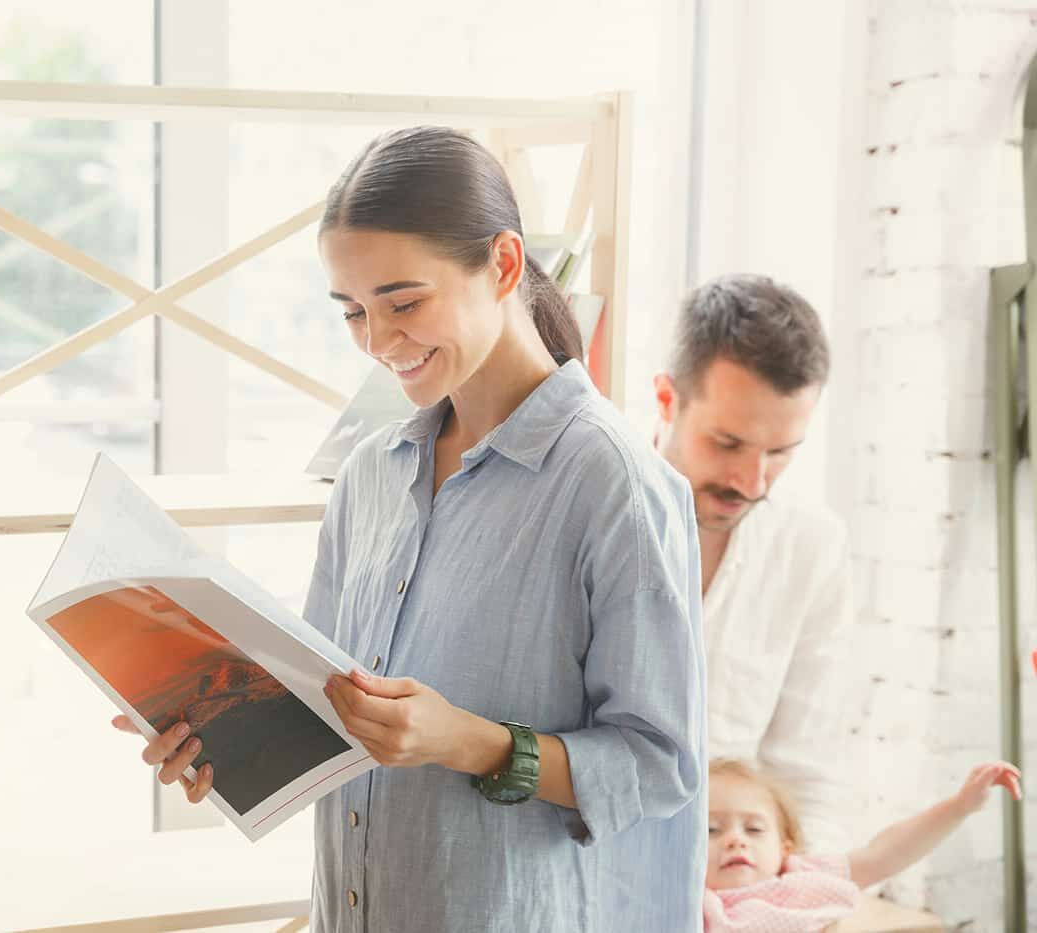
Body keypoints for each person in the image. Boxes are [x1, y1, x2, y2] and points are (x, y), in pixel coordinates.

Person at [114, 126, 707, 931]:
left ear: (502, 264)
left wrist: (473, 741)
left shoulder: (613, 482)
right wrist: (215, 733)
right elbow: (324, 717)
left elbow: (659, 765)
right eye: (353, 310)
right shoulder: (370, 475)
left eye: (404, 302)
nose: (378, 341)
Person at [653, 275, 855, 852]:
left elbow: (809, 768)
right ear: (667, 399)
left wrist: (805, 897)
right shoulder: (590, 508)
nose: (752, 481)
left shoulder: (811, 546)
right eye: (728, 443)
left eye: (781, 452)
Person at [704, 757, 1022, 932]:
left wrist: (959, 806)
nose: (736, 840)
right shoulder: (694, 901)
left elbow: (885, 854)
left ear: (785, 847)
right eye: (711, 830)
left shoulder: (804, 877)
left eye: (755, 829)